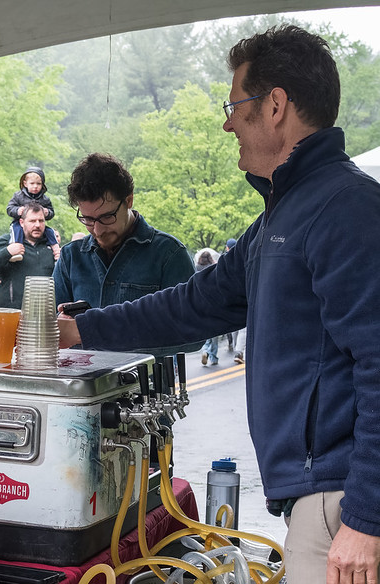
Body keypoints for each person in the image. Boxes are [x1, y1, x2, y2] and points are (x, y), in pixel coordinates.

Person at [58, 26, 380, 583]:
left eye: (234, 106)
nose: (227, 123)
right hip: (321, 498)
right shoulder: (284, 214)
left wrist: (367, 517)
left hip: (341, 500)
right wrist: (78, 332)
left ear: (274, 106)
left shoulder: (345, 208)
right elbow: (193, 304)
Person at [52, 152, 199, 358]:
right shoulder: (70, 257)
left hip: (146, 378)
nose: (98, 230)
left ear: (128, 200)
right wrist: (62, 324)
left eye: (107, 217)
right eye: (88, 219)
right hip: (81, 377)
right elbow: (46, 327)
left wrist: (98, 331)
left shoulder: (169, 255)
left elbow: (194, 337)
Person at [0, 202, 56, 309]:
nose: (37, 225)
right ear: (22, 222)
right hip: (11, 312)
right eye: (32, 221)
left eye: (41, 221)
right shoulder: (7, 241)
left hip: (44, 312)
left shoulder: (52, 247)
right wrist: (7, 252)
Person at [6, 167, 60, 261]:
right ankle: (16, 250)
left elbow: (51, 212)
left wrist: (47, 212)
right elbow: (9, 208)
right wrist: (18, 210)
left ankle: (56, 251)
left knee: (50, 231)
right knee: (16, 230)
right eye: (32, 183)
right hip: (19, 222)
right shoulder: (18, 196)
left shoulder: (44, 199)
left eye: (38, 184)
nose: (35, 186)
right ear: (25, 183)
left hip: (39, 225)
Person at [194, 248, 220, 366]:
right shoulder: (214, 267)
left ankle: (205, 350)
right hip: (215, 303)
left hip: (201, 304)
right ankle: (213, 357)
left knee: (206, 333)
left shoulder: (196, 268)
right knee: (215, 333)